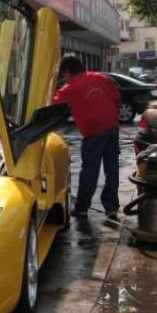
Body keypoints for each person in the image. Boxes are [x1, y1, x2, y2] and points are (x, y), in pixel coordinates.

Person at [53, 54, 121, 220]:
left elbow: (51, 106)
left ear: (68, 71)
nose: (64, 79)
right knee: (112, 169)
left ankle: (82, 208)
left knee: (90, 171)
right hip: (112, 128)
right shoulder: (101, 78)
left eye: (63, 75)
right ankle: (111, 207)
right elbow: (116, 98)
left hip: (94, 133)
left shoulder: (69, 89)